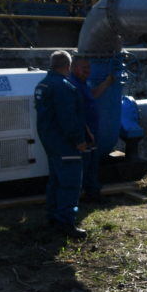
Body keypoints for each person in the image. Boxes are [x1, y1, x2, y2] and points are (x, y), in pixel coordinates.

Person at [34, 50, 89, 239]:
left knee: (56, 181)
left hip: (50, 141)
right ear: (68, 66)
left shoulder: (43, 84)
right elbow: (68, 118)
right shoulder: (63, 87)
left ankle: (53, 217)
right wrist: (79, 140)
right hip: (65, 143)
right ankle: (65, 222)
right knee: (70, 183)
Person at [68, 56, 115, 203]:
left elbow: (93, 95)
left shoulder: (82, 83)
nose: (88, 71)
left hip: (92, 132)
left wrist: (107, 83)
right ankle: (83, 195)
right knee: (85, 165)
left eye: (89, 68)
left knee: (92, 164)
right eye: (84, 68)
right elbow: (76, 113)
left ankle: (92, 193)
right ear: (74, 68)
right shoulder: (72, 84)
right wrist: (87, 133)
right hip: (85, 133)